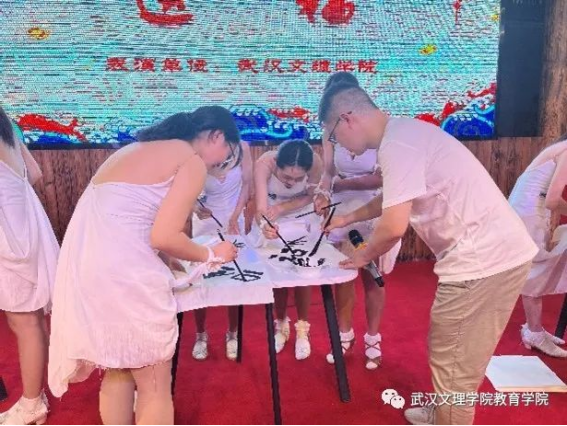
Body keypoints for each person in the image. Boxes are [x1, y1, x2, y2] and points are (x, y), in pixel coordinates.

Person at [319, 83, 538, 425]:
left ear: (347, 119)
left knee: (454, 367)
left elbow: (393, 227)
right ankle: (441, 412)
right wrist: (348, 218)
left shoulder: (397, 145)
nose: (338, 145)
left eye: (333, 136)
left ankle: (449, 415)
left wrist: (362, 257)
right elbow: (395, 197)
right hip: (492, 254)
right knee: (450, 351)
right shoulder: (404, 133)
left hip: (483, 262)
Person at [48, 107, 240, 426]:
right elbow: (164, 236)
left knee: (118, 368)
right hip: (126, 277)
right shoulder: (190, 159)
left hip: (88, 273)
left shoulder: (137, 149)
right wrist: (212, 254)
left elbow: (132, 223)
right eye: (227, 154)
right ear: (216, 136)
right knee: (153, 385)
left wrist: (174, 258)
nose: (220, 163)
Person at [315, 73, 401, 370]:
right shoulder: (330, 131)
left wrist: (342, 185)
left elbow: (382, 178)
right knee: (344, 271)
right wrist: (323, 192)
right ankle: (344, 333)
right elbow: (328, 172)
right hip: (341, 209)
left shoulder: (380, 130)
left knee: (371, 275)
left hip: (372, 206)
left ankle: (373, 337)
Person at [0, 107, 59, 426]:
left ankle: (32, 402)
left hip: (8, 236)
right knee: (29, 319)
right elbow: (34, 173)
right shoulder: (6, 124)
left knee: (24, 321)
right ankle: (36, 393)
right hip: (24, 225)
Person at [253, 139, 322, 360]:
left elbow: (311, 195)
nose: (291, 183)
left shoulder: (316, 162)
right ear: (277, 162)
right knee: (278, 273)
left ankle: (302, 328)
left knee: (304, 273)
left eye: (298, 178)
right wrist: (265, 226)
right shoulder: (264, 164)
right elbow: (260, 207)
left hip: (301, 216)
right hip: (272, 217)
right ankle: (281, 323)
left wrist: (283, 207)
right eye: (286, 177)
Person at [191, 141, 253, 362]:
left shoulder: (243, 148)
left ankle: (233, 334)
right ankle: (200, 334)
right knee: (201, 278)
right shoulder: (196, 150)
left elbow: (246, 185)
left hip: (233, 220)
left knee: (234, 278)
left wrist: (236, 215)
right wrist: (195, 207)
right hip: (205, 221)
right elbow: (184, 191)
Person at [509, 134, 567, 357]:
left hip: (530, 209)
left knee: (535, 269)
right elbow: (553, 200)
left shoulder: (561, 148)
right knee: (535, 271)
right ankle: (534, 332)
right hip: (529, 211)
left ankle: (534, 328)